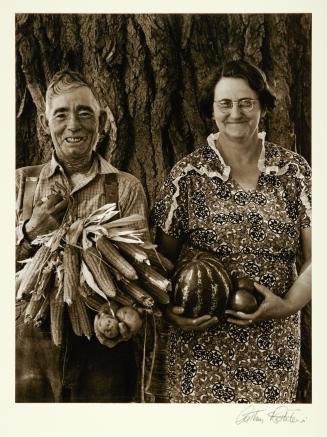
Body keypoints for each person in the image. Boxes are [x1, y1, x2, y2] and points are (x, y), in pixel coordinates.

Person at [152, 59, 311, 403]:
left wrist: (285, 306)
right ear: (211, 111)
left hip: (273, 341)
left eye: (246, 102)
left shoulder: (294, 172)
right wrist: (170, 312)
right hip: (201, 345)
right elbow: (158, 262)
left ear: (263, 107)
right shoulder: (186, 177)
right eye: (225, 103)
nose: (235, 112)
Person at [16, 70, 150, 402]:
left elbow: (141, 270)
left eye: (84, 112)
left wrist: (128, 315)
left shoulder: (125, 187)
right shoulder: (20, 184)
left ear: (101, 122)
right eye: (61, 114)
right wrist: (32, 229)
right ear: (45, 124)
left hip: (103, 343)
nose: (73, 124)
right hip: (28, 344)